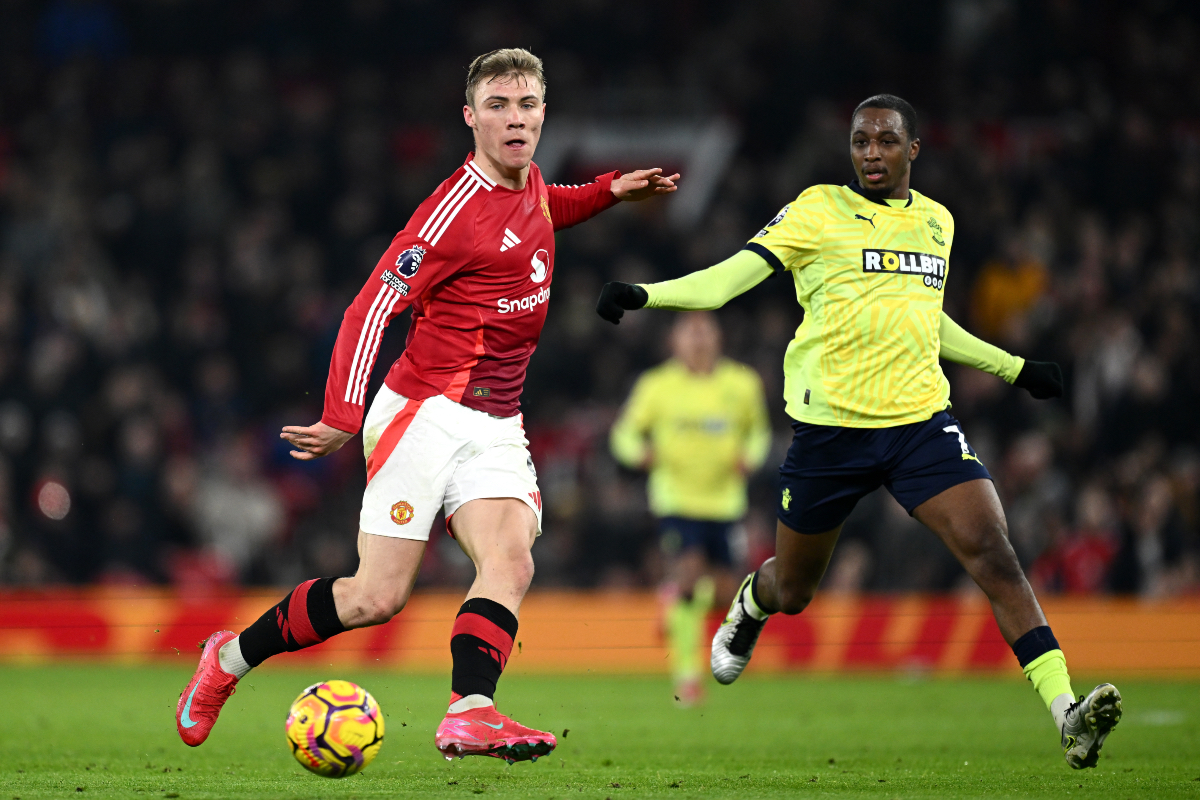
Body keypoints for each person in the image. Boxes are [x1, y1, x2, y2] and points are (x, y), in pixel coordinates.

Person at [175, 48, 679, 764]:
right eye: (498, 106)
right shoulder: (450, 212)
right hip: (425, 413)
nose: (515, 118)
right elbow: (370, 306)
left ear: (543, 113)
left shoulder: (530, 180)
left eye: (527, 105)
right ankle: (226, 662)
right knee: (373, 599)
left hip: (498, 421)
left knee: (511, 561)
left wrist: (606, 191)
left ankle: (471, 710)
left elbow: (543, 208)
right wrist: (343, 414)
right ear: (470, 118)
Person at [595, 94, 1122, 770]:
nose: (871, 153)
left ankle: (1067, 715)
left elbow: (926, 322)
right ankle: (751, 607)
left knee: (994, 553)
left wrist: (1015, 368)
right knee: (793, 590)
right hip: (830, 433)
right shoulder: (817, 210)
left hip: (918, 425)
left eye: (885, 141)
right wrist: (646, 295)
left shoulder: (938, 223)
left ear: (913, 149)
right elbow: (730, 281)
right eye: (860, 141)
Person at [609, 312, 770, 705]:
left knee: (723, 590)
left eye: (705, 331)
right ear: (673, 341)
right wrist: (638, 453)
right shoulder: (657, 385)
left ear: (719, 338)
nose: (698, 339)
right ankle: (687, 675)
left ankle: (670, 603)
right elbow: (624, 433)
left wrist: (751, 456)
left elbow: (759, 432)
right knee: (689, 573)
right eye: (689, 332)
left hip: (726, 500)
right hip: (675, 499)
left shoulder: (742, 383)